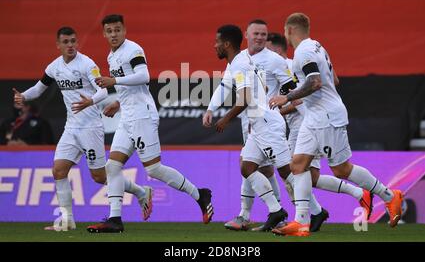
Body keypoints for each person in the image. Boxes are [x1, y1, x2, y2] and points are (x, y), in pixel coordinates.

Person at [270, 13, 403, 236]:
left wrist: (288, 97)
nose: (285, 34)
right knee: (298, 164)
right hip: (314, 116)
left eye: (285, 31)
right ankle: (301, 222)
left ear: (290, 30)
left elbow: (315, 82)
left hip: (327, 117)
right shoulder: (317, 46)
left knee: (341, 169)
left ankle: (389, 195)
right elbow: (334, 80)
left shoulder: (303, 51)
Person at [13, 26, 153, 231]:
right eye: (66, 42)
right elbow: (39, 88)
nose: (70, 45)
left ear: (77, 43)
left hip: (91, 127)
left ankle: (141, 192)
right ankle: (67, 220)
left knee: (100, 177)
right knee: (58, 170)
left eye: (73, 41)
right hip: (71, 128)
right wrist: (24, 96)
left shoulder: (87, 64)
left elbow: (103, 91)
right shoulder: (54, 67)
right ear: (58, 45)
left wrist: (91, 102)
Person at [87, 14, 213, 233]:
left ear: (124, 30)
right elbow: (131, 87)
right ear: (104, 33)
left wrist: (114, 81)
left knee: (153, 169)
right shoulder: (111, 55)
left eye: (117, 29)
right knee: (113, 167)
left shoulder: (133, 49)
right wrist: (118, 101)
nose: (114, 34)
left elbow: (144, 76)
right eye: (109, 31)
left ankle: (199, 194)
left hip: (143, 116)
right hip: (127, 116)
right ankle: (115, 219)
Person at [204, 20, 328, 232]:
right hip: (256, 124)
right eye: (256, 33)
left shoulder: (244, 63)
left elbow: (244, 99)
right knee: (247, 167)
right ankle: (276, 211)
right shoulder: (240, 60)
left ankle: (311, 214)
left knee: (288, 172)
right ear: (246, 36)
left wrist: (225, 119)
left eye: (217, 42)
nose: (214, 46)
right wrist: (211, 108)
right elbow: (229, 88)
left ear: (226, 44)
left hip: (268, 123)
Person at [267, 32, 372, 227]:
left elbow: (299, 97)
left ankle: (304, 218)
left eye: (268, 48)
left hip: (306, 123)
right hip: (308, 122)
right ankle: (348, 198)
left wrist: (279, 109)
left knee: (296, 171)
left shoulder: (291, 65)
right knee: (309, 176)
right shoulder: (278, 69)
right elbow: (332, 80)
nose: (265, 53)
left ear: (278, 49)